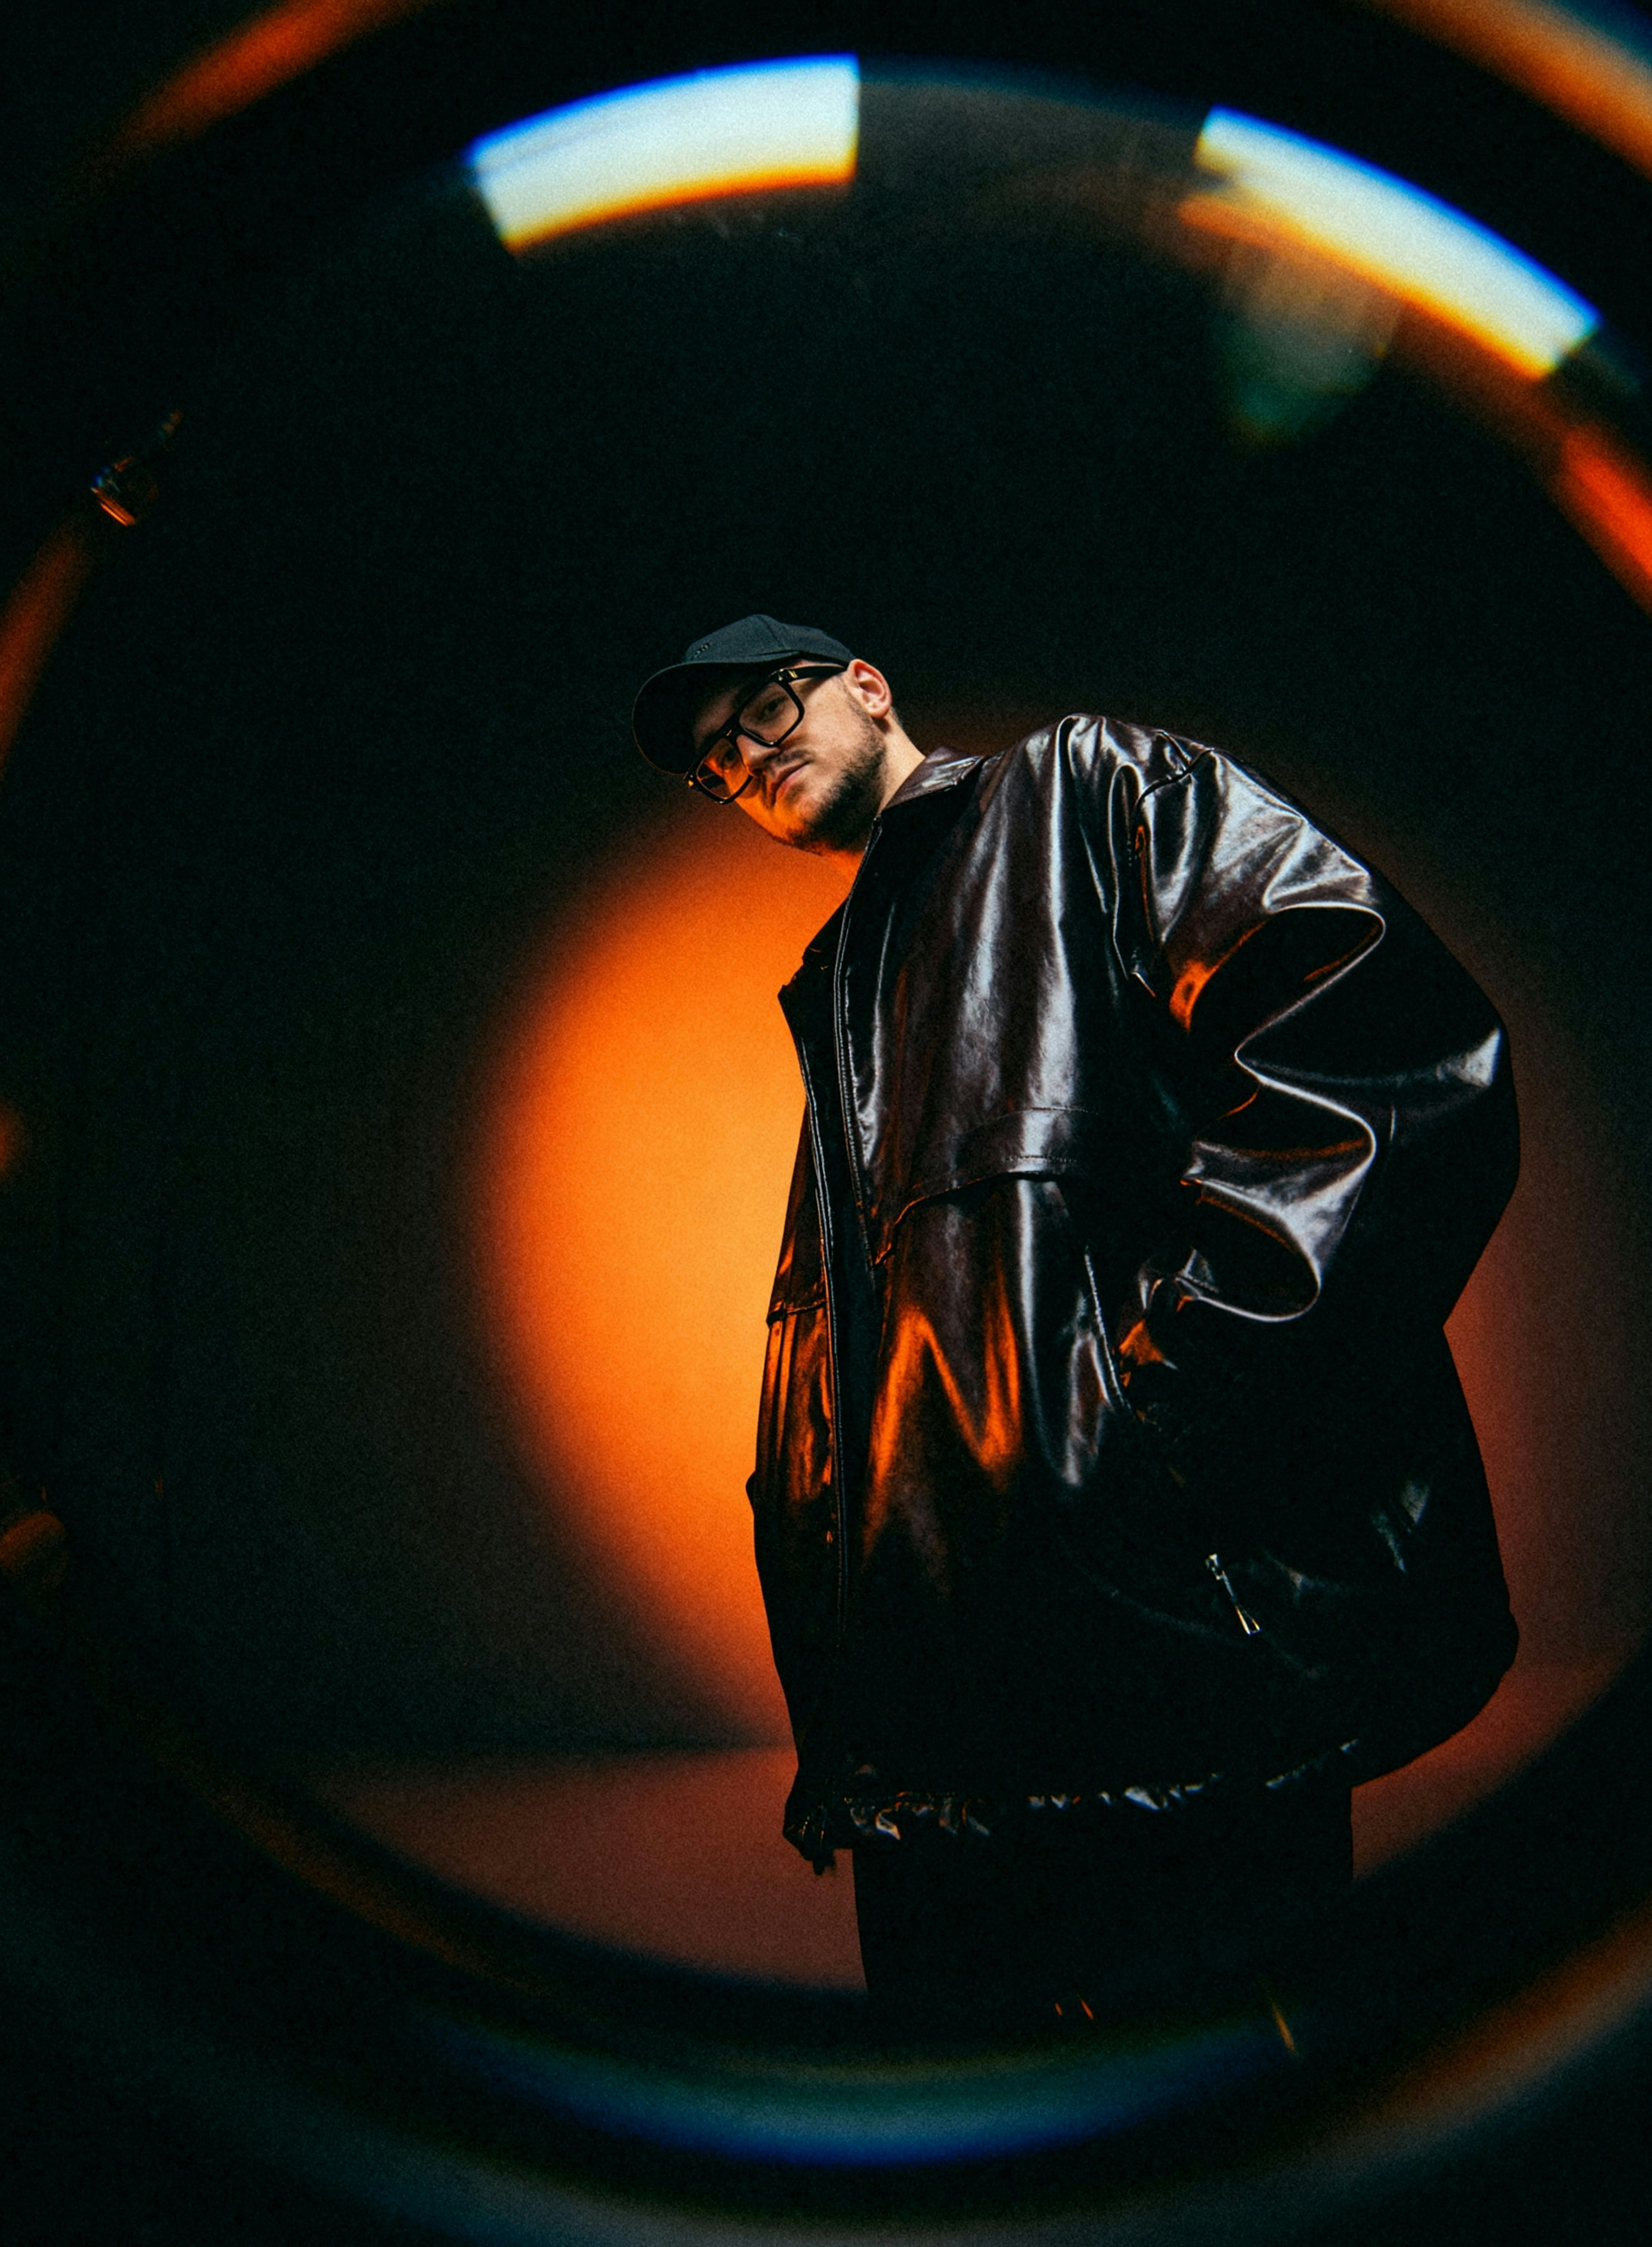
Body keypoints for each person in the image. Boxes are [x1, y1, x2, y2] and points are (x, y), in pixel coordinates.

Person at [631, 614, 1519, 2036]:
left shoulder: (1084, 794)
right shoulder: (845, 978)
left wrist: (1156, 1433)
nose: (746, 755)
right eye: (717, 759)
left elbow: (1387, 1063)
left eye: (767, 706)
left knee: (1236, 2150)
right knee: (987, 2176)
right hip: (925, 1743)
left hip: (1157, 1676)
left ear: (865, 686)